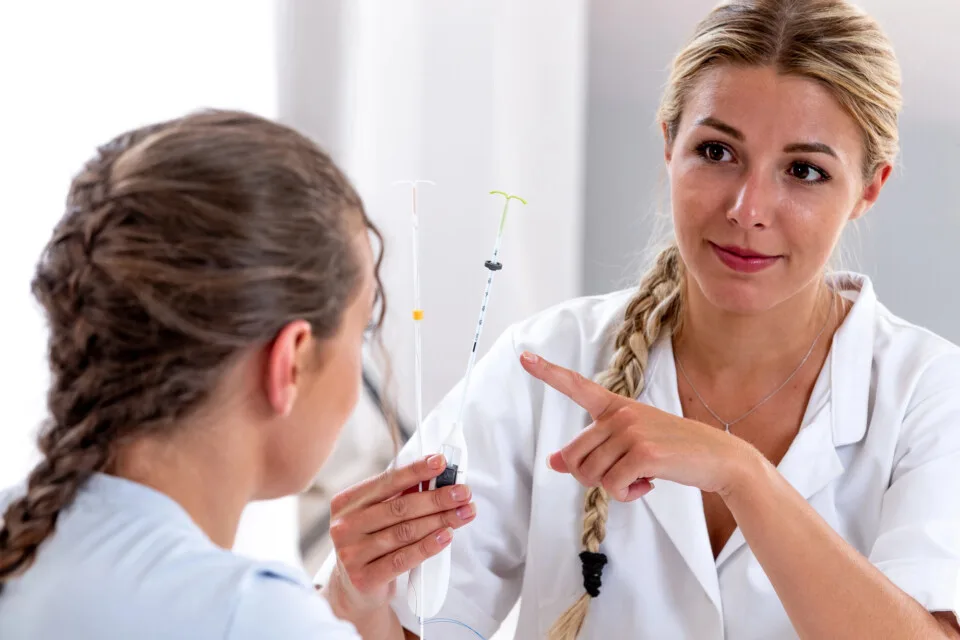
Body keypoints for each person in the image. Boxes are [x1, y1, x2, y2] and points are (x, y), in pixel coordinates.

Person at [324, 1, 960, 638]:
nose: (748, 209)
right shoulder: (547, 361)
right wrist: (362, 602)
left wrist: (741, 475)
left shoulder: (930, 394)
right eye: (716, 151)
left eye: (804, 171)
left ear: (869, 188)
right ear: (668, 146)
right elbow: (419, 621)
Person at [0, 110, 477, 639]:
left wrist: (352, 610)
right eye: (360, 331)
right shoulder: (257, 617)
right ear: (291, 361)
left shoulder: (20, 537)